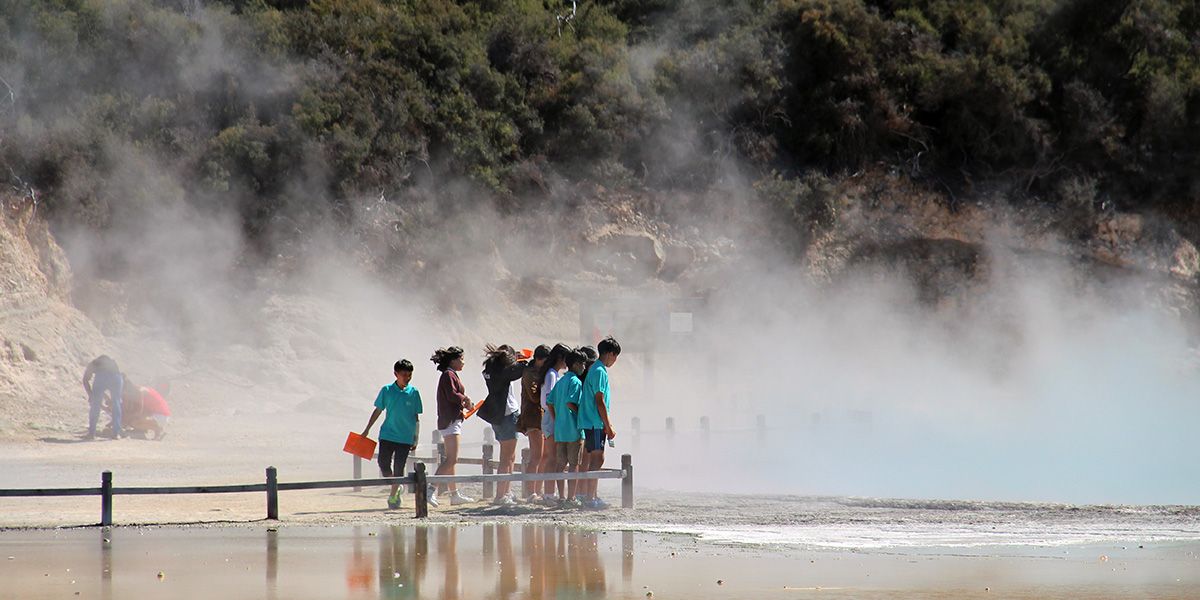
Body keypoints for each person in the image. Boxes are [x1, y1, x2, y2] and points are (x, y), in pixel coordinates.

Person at [362, 359, 423, 510]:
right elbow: (378, 410)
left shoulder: (414, 393)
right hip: (387, 434)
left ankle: (393, 494)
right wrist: (367, 429)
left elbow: (416, 418)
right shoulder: (387, 390)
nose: (407, 378)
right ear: (396, 374)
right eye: (404, 375)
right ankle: (397, 485)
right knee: (383, 464)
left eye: (409, 375)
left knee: (399, 467)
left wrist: (416, 437)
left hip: (405, 437)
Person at [479, 345, 528, 506]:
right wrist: (520, 360)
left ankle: (506, 492)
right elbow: (521, 370)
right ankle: (500, 496)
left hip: (499, 416)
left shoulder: (492, 370)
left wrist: (515, 358)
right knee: (506, 458)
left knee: (510, 456)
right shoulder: (504, 373)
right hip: (507, 415)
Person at [577, 337, 620, 509]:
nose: (615, 361)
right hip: (595, 421)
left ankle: (589, 494)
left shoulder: (594, 368)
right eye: (615, 357)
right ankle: (590, 496)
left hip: (590, 420)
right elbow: (599, 399)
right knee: (598, 457)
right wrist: (608, 424)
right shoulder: (600, 371)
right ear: (610, 354)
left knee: (592, 458)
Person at [431, 346, 475, 506]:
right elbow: (452, 395)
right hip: (450, 422)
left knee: (451, 460)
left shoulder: (450, 374)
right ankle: (430, 489)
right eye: (461, 359)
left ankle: (454, 494)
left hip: (452, 420)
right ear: (453, 360)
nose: (463, 362)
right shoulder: (448, 375)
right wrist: (465, 399)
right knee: (451, 459)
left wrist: (463, 405)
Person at [548, 349, 587, 507]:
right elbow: (571, 403)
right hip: (574, 429)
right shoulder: (576, 382)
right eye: (583, 363)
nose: (584, 367)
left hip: (560, 429)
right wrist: (580, 417)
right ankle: (571, 498)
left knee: (560, 464)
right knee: (573, 464)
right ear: (576, 364)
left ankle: (562, 497)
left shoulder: (561, 381)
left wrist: (557, 418)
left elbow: (550, 403)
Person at [537, 343, 571, 504]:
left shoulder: (554, 373)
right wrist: (557, 420)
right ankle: (549, 493)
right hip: (551, 417)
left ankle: (550, 492)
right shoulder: (551, 374)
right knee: (551, 457)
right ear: (560, 358)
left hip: (553, 416)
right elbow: (550, 400)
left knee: (555, 457)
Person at [517, 345, 551, 501]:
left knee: (543, 456)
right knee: (536, 456)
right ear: (539, 359)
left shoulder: (537, 372)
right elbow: (534, 396)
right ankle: (531, 492)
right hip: (532, 417)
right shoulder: (530, 373)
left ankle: (537, 490)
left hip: (540, 417)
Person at [82, 355, 123, 439]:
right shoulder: (111, 362)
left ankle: (91, 433)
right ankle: (116, 434)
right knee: (116, 403)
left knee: (95, 405)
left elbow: (85, 380)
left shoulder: (92, 364)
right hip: (117, 377)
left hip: (102, 377)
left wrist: (91, 395)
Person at [118, 375, 171, 440]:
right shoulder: (144, 389)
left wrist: (133, 415)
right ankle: (156, 431)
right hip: (162, 415)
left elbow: (141, 408)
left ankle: (158, 430)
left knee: (134, 422)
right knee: (136, 419)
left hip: (160, 416)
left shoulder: (141, 391)